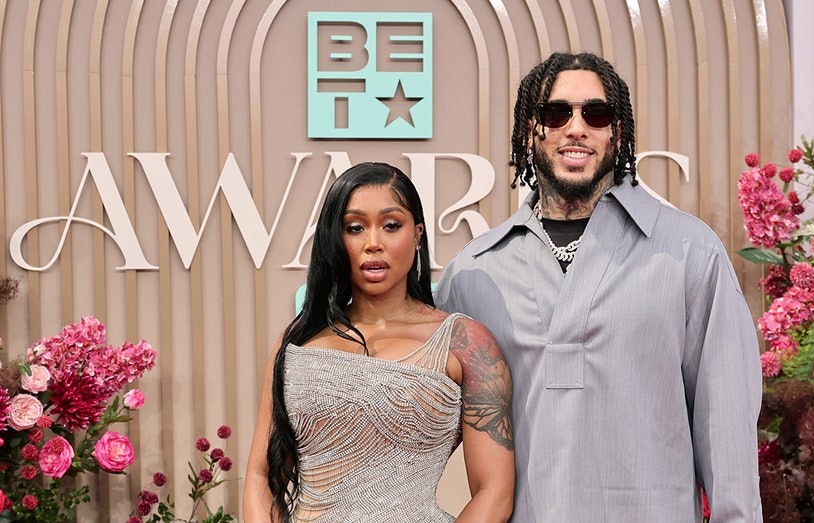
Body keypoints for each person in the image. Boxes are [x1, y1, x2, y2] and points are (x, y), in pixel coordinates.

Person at [434, 52, 762, 521]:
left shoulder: (689, 252)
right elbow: (416, 434)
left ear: (618, 132)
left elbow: (727, 426)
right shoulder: (473, 272)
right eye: (556, 113)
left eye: (596, 113)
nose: (576, 128)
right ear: (529, 131)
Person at [243, 162, 514, 522]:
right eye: (355, 228)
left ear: (417, 234)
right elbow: (261, 476)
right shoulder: (298, 341)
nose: (373, 243)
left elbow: (494, 492)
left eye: (391, 225)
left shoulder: (465, 344)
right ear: (335, 238)